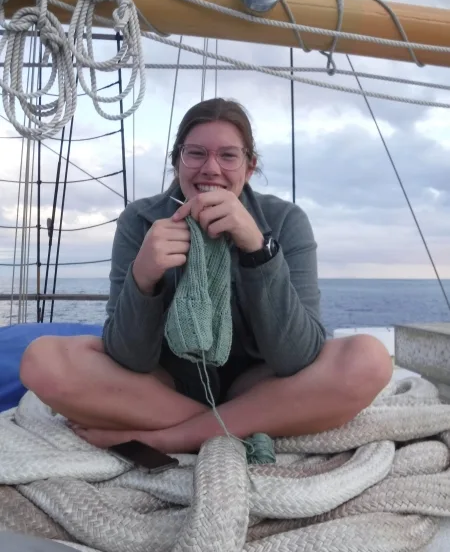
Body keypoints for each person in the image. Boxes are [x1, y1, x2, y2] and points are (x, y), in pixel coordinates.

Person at [20, 98, 393, 453]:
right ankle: (238, 425)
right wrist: (143, 277)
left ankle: (172, 437)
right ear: (177, 161)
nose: (211, 168)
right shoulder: (140, 220)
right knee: (42, 361)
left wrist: (258, 250)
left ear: (250, 166)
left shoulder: (284, 221)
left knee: (370, 360)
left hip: (260, 383)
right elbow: (129, 358)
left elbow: (297, 356)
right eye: (195, 153)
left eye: (228, 155)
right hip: (168, 386)